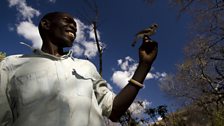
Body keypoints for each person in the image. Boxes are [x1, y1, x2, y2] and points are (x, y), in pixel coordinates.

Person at [0, 12, 158, 126]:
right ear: (46, 24)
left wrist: (144, 66)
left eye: (76, 26)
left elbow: (114, 111)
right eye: (67, 21)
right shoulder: (10, 65)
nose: (74, 27)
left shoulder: (86, 66)